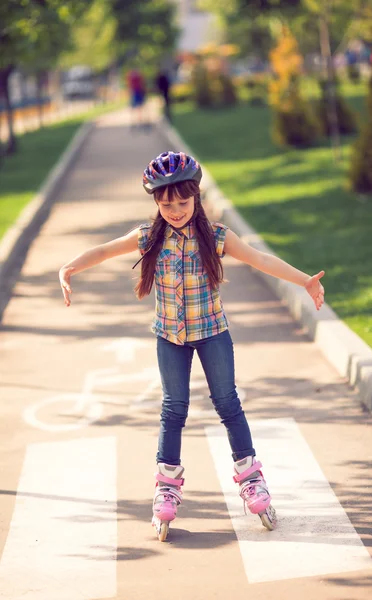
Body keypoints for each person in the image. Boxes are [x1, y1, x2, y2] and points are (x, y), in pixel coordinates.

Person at [59, 151, 325, 541]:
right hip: (170, 337)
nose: (175, 211)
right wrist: (68, 268)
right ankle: (166, 486)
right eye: (166, 205)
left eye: (183, 203)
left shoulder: (216, 237)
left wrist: (305, 281)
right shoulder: (149, 237)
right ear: (156, 203)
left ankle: (251, 479)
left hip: (213, 332)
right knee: (173, 408)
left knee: (227, 403)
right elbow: (103, 250)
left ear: (196, 197)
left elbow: (259, 258)